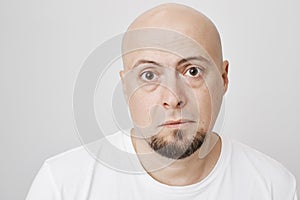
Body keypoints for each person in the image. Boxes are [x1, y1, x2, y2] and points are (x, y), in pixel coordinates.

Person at [26, 3, 297, 200]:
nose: (173, 98)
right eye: (149, 75)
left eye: (193, 71)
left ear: (224, 78)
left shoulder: (273, 186)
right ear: (126, 86)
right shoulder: (61, 184)